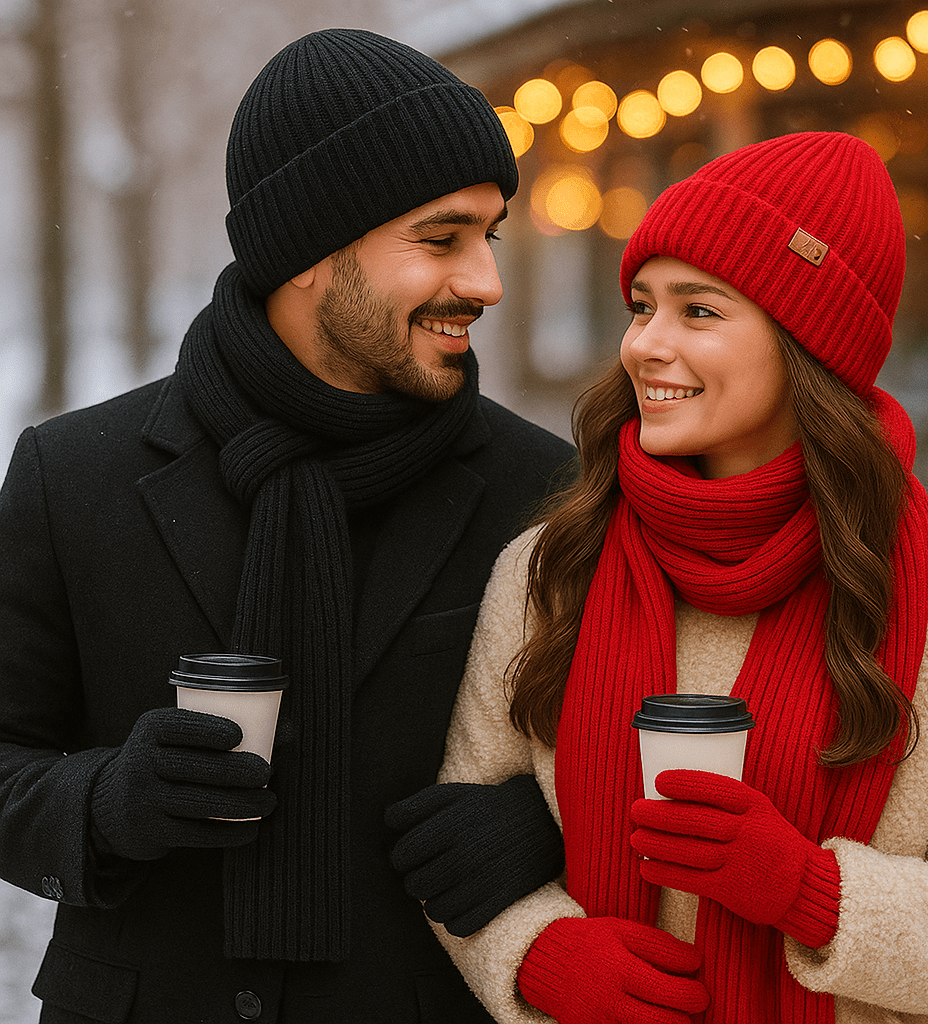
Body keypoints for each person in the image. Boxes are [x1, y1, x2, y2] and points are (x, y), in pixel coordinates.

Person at [0, 29, 573, 1024]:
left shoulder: (544, 488)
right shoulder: (73, 474)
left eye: (491, 235)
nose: (483, 280)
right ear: (312, 249)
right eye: (441, 240)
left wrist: (552, 824)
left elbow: (631, 752)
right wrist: (107, 802)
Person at [396, 132, 928, 1023]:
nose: (645, 345)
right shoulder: (552, 569)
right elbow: (464, 840)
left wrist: (808, 889)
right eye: (642, 305)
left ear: (810, 345)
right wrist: (537, 955)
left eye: (699, 311)